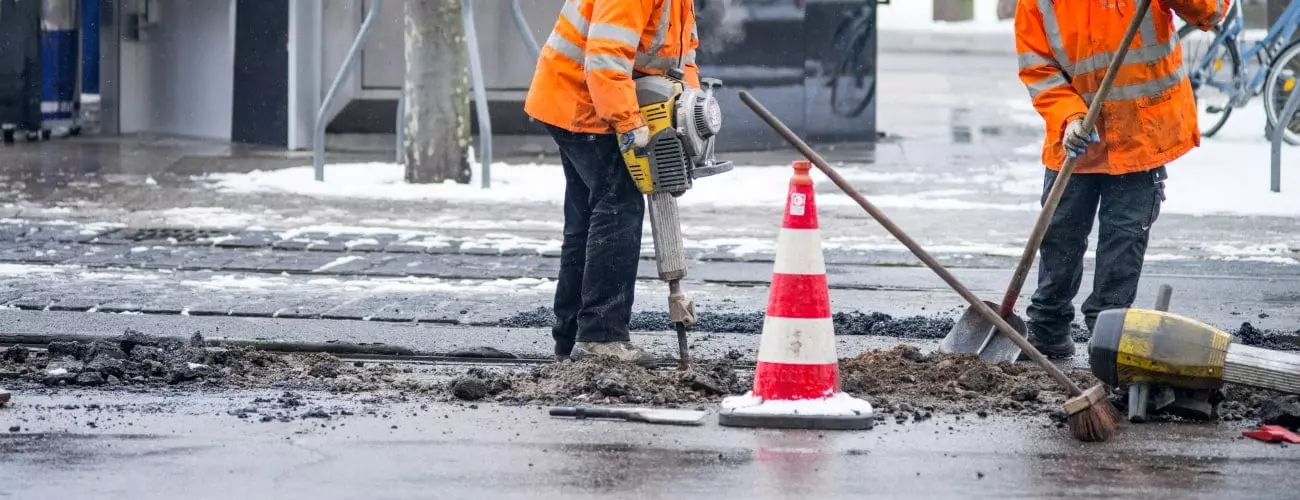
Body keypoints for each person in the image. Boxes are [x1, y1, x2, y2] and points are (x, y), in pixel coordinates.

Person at [1014, 0, 1228, 358]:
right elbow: (1037, 66)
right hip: (1077, 137)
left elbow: (1211, 12)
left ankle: (1108, 339)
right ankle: (1048, 331)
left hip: (1141, 134)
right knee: (1060, 233)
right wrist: (1068, 116)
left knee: (1123, 240)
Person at [525, 0, 701, 366]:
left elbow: (681, 62)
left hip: (577, 97)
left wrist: (686, 119)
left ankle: (570, 337)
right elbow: (605, 59)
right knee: (619, 204)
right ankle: (602, 338)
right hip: (584, 102)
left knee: (588, 219)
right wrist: (629, 123)